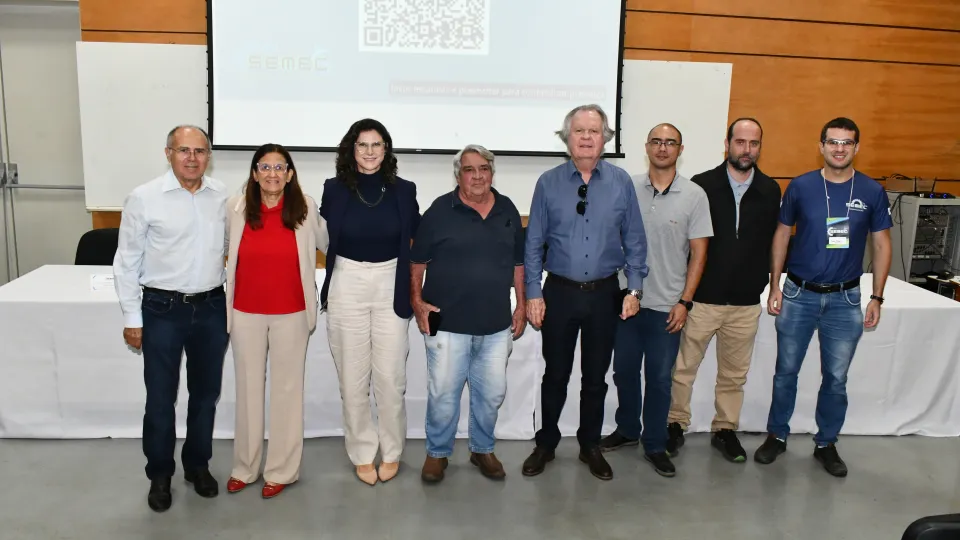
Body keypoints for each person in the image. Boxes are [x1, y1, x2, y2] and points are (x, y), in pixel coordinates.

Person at [755, 117, 892, 477]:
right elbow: (782, 236)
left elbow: (881, 243)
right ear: (821, 146)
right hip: (799, 294)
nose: (839, 148)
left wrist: (877, 296)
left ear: (856, 148)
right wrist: (775, 286)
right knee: (786, 371)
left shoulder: (872, 191)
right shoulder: (800, 187)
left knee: (836, 377)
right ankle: (777, 436)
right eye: (833, 142)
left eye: (847, 143)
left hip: (845, 300)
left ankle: (826, 442)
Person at [523, 104, 648, 481]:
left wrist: (635, 289)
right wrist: (533, 292)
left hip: (604, 294)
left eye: (594, 131)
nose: (587, 137)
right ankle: (545, 442)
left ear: (605, 138)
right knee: (555, 375)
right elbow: (533, 244)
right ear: (568, 138)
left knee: (595, 377)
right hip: (558, 292)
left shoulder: (622, 182)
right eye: (579, 131)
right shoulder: (547, 182)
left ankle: (589, 444)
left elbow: (636, 241)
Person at [113, 125, 229, 512]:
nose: (192, 158)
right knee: (161, 397)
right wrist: (132, 316)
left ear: (207, 156)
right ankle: (160, 474)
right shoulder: (144, 198)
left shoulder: (223, 197)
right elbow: (126, 261)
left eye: (199, 151)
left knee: (206, 394)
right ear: (168, 153)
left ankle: (197, 466)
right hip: (162, 310)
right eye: (184, 150)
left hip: (212, 308)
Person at [663, 118, 782, 463]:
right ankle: (674, 425)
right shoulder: (702, 186)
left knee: (734, 374)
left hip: (745, 303)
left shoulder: (770, 190)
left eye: (754, 143)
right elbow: (688, 245)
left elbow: (775, 241)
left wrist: (773, 283)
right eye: (740, 142)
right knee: (683, 368)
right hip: (702, 300)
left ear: (760, 147)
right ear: (727, 144)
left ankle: (725, 429)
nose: (747, 149)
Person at [598, 123, 712, 478]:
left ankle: (655, 443)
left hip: (667, 305)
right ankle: (628, 429)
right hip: (625, 303)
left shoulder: (694, 195)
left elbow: (699, 253)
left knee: (661, 378)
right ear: (646, 146)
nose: (663, 148)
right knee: (624, 372)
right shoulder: (625, 187)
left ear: (680, 149)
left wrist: (686, 301)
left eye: (670, 143)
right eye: (657, 142)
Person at [410, 145, 526, 483]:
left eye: (483, 168)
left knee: (491, 394)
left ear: (492, 171)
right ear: (458, 175)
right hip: (447, 324)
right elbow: (417, 263)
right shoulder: (438, 211)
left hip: (495, 323)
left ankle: (482, 449)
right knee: (443, 393)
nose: (477, 176)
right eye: (469, 170)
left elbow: (519, 264)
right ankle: (437, 454)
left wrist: (520, 304)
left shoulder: (507, 210)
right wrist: (417, 302)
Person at [223, 144, 329, 499]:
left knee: (287, 392)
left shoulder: (305, 208)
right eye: (264, 167)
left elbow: (329, 245)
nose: (272, 174)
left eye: (279, 167)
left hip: (292, 314)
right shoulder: (235, 208)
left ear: (290, 173)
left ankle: (282, 470)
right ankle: (245, 467)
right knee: (248, 391)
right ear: (254, 174)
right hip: (244, 313)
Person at [320, 118, 420, 485]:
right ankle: (362, 451)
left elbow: (419, 237)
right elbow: (320, 236)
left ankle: (391, 450)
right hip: (347, 282)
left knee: (391, 377)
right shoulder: (334, 189)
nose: (370, 152)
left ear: (387, 150)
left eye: (377, 144)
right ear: (351, 150)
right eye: (362, 145)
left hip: (390, 281)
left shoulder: (405, 190)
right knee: (352, 376)